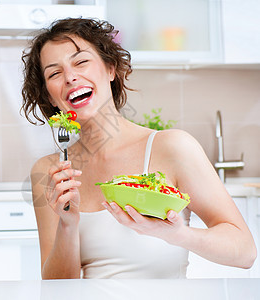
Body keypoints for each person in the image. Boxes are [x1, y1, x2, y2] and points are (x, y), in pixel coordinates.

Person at [21, 18, 256, 279]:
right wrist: (68, 225)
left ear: (111, 69)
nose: (70, 77)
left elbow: (244, 252)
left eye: (81, 62)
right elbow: (57, 289)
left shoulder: (172, 147)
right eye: (54, 73)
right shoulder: (48, 172)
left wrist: (178, 235)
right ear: (50, 97)